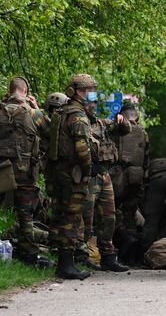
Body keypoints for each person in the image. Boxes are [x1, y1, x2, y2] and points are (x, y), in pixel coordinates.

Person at [0, 77, 53, 268]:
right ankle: (31, 253)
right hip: (25, 172)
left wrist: (0, 104)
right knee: (25, 214)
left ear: (9, 91)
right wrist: (38, 107)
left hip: (0, 169)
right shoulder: (35, 114)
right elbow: (51, 132)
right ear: (26, 92)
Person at [47, 74, 99, 280]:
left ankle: (63, 262)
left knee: (61, 213)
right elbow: (81, 146)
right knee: (72, 216)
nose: (93, 95)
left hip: (58, 170)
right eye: (90, 91)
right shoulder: (77, 114)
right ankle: (66, 265)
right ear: (79, 92)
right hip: (73, 173)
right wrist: (88, 169)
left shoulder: (62, 111)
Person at [82, 106, 131, 272]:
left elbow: (125, 130)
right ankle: (81, 254)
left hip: (104, 175)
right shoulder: (80, 124)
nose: (92, 109)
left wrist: (122, 121)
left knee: (109, 217)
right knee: (86, 218)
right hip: (87, 177)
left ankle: (108, 257)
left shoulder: (103, 124)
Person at [111, 100, 149, 236]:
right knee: (131, 212)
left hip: (117, 176)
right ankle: (130, 244)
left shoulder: (117, 130)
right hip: (136, 177)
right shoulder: (143, 133)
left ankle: (114, 241)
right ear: (136, 116)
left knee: (112, 210)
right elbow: (147, 157)